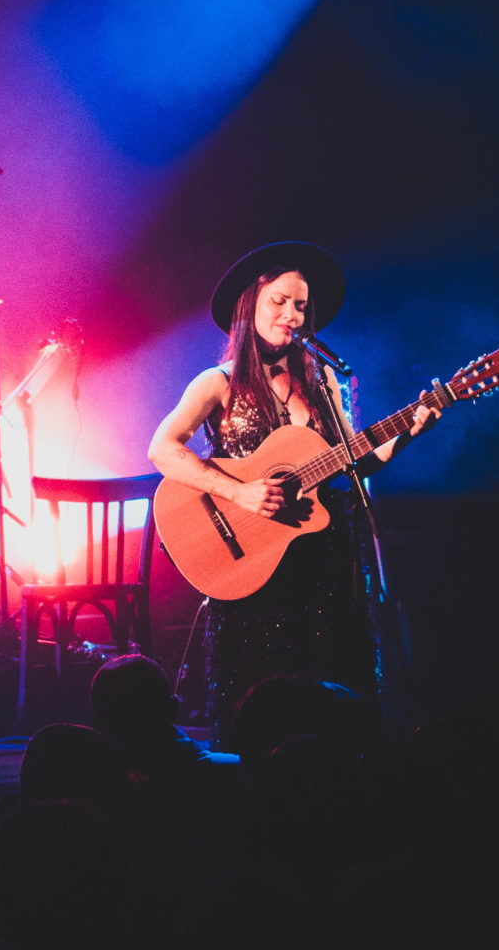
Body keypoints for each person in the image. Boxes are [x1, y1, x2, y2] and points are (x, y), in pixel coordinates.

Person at [146, 243, 434, 745]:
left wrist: (410, 428)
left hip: (320, 568)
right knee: (261, 717)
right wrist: (237, 493)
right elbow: (161, 449)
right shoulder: (219, 382)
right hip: (250, 574)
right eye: (280, 301)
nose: (291, 314)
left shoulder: (320, 379)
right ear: (250, 304)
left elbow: (355, 458)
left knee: (333, 707)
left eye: (300, 306)